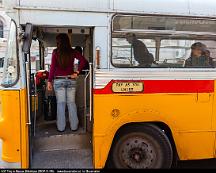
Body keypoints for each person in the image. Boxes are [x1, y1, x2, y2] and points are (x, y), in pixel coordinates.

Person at [47, 33, 87, 132]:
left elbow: (52, 67)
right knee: (71, 103)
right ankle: (74, 127)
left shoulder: (55, 52)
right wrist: (77, 73)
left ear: (59, 42)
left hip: (59, 80)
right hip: (71, 80)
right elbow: (83, 61)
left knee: (60, 104)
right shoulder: (72, 52)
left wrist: (49, 81)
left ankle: (61, 128)